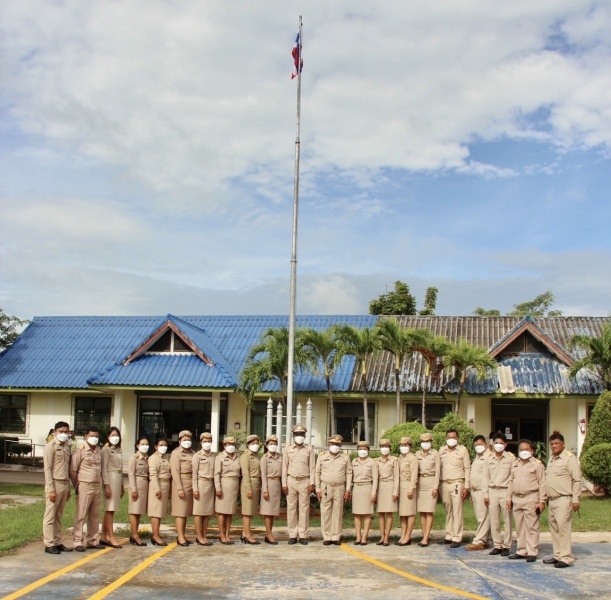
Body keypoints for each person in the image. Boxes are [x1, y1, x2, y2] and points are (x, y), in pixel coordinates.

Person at [543, 432, 582, 568]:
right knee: (554, 529)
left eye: (556, 443)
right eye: (552, 444)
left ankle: (566, 558)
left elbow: (577, 480)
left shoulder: (569, 458)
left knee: (563, 529)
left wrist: (575, 499)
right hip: (552, 500)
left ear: (563, 444)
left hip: (564, 499)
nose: (554, 446)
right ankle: (558, 555)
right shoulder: (552, 459)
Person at [507, 439, 546, 562]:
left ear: (532, 451)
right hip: (517, 498)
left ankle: (532, 552)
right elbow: (510, 481)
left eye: (526, 449)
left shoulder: (537, 464)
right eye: (521, 449)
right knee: (520, 527)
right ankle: (521, 550)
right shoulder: (515, 463)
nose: (524, 451)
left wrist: (542, 501)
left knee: (532, 527)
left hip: (531, 498)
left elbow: (542, 483)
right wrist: (509, 497)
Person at [69, 426, 103, 552]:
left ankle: (92, 540)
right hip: (85, 484)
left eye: (96, 436)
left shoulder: (98, 450)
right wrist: (77, 484)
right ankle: (77, 541)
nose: (94, 438)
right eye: (92, 436)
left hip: (96, 485)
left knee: (94, 514)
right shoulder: (80, 450)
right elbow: (73, 470)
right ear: (86, 436)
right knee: (81, 514)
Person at [282, 424, 316, 545]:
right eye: (297, 434)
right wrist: (284, 483)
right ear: (293, 435)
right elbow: (284, 466)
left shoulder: (309, 449)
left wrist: (312, 483)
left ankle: (303, 535)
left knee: (304, 508)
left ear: (305, 436)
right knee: (291, 508)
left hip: (304, 481)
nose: (299, 436)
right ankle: (292, 535)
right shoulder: (287, 449)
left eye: (301, 434)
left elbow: (312, 467)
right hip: (291, 480)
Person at [316, 434, 352, 546]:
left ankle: (336, 536)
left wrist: (348, 489)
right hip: (326, 487)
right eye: (333, 444)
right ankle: (327, 536)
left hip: (339, 487)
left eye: (337, 444)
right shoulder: (322, 457)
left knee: (338, 512)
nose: (335, 446)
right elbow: (317, 473)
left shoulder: (345, 457)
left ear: (340, 445)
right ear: (328, 444)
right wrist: (317, 489)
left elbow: (349, 473)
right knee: (325, 512)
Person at [42, 421, 73, 554]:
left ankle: (58, 541)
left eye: (66, 432)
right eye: (61, 431)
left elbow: (68, 468)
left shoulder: (67, 446)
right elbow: (47, 468)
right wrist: (51, 489)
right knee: (50, 516)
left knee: (59, 515)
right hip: (54, 483)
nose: (63, 434)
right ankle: (49, 544)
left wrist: (69, 488)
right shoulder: (51, 446)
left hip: (64, 483)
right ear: (55, 432)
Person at [438, 428, 471, 548]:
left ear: (458, 438)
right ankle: (449, 535)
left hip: (457, 483)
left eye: (453, 437)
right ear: (446, 438)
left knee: (457, 510)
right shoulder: (441, 450)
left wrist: (467, 486)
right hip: (444, 483)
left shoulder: (463, 451)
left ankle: (457, 537)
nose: (451, 439)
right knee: (449, 510)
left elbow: (467, 468)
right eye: (449, 437)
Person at [485, 431, 513, 556]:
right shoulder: (488, 459)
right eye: (496, 443)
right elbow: (485, 478)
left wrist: (509, 496)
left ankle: (506, 546)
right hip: (492, 491)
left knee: (507, 520)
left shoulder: (511, 458)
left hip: (505, 490)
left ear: (505, 444)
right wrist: (485, 494)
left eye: (501, 443)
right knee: (494, 520)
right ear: (492, 443)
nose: (498, 445)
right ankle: (497, 545)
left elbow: (512, 478)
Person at [214, 435, 241, 544]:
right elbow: (216, 473)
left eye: (233, 444)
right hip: (224, 484)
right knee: (222, 512)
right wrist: (218, 487)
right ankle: (221, 534)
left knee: (230, 512)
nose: (231, 446)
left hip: (234, 485)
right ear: (224, 445)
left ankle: (227, 534)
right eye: (229, 444)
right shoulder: (220, 457)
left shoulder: (238, 457)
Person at [100, 427, 124, 549]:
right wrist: (107, 485)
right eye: (113, 435)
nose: (115, 437)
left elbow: (121, 468)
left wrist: (122, 485)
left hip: (118, 479)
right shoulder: (106, 449)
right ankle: (111, 536)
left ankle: (103, 536)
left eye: (117, 435)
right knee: (109, 508)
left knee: (111, 509)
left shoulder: (119, 449)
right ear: (108, 437)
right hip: (110, 478)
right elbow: (104, 468)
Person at [465, 435, 491, 551]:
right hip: (475, 491)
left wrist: (486, 493)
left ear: (485, 444)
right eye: (475, 445)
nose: (478, 447)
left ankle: (479, 541)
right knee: (481, 516)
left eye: (480, 444)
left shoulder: (489, 457)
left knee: (483, 517)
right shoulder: (477, 457)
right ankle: (487, 539)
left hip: (483, 490)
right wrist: (471, 491)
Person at [350, 440, 378, 545]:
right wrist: (350, 490)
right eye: (360, 449)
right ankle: (358, 536)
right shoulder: (354, 461)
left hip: (367, 488)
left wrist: (373, 492)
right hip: (357, 488)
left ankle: (364, 537)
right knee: (357, 514)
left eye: (364, 449)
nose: (362, 451)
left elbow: (375, 478)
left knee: (367, 514)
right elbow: (351, 476)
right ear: (357, 450)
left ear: (368, 450)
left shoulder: (372, 462)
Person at [170, 430, 195, 546]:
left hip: (191, 482)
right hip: (180, 482)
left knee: (185, 512)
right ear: (179, 441)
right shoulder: (176, 453)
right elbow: (175, 472)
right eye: (184, 440)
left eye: (189, 439)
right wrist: (179, 488)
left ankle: (182, 535)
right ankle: (180, 537)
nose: (187, 441)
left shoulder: (193, 453)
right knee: (180, 511)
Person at [416, 432, 440, 547]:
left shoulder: (435, 454)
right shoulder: (417, 454)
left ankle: (426, 537)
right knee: (422, 511)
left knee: (429, 511)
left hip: (431, 481)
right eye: (423, 442)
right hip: (420, 483)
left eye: (427, 441)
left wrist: (435, 487)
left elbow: (438, 472)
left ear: (431, 442)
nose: (425, 443)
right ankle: (424, 534)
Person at [192, 432, 215, 546]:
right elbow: (194, 474)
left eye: (209, 441)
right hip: (201, 483)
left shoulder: (213, 456)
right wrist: (195, 489)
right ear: (201, 442)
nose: (207, 443)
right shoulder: (197, 456)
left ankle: (204, 535)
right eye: (205, 441)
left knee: (207, 512)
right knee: (198, 512)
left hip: (210, 485)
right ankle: (199, 536)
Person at [147, 436, 171, 546]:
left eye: (165, 445)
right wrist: (157, 489)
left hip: (165, 485)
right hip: (157, 486)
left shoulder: (166, 457)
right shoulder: (153, 458)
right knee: (155, 512)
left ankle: (156, 535)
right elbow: (153, 475)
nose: (163, 447)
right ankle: (155, 536)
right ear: (156, 447)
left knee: (160, 512)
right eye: (161, 445)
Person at [376, 438, 399, 546]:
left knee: (389, 513)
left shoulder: (394, 460)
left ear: (390, 448)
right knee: (381, 513)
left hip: (390, 485)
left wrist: (395, 491)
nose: (384, 448)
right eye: (382, 446)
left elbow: (397, 477)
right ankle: (382, 536)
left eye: (386, 446)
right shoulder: (376, 461)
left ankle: (387, 537)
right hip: (380, 486)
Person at [260, 435, 282, 545]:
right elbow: (263, 475)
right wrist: (265, 490)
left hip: (277, 484)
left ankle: (269, 533)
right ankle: (268, 534)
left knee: (273, 512)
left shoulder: (280, 457)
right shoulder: (264, 458)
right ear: (267, 445)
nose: (273, 446)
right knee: (267, 512)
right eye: (270, 444)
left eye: (274, 444)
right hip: (268, 484)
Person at [240, 434, 262, 544]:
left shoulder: (257, 456)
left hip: (256, 483)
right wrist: (248, 488)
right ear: (248, 445)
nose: (255, 445)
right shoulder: (245, 456)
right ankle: (248, 535)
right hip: (249, 483)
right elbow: (245, 473)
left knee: (251, 510)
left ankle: (244, 534)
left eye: (257, 443)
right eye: (253, 443)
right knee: (247, 511)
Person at [397, 436, 418, 546]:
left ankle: (408, 536)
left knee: (410, 513)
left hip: (409, 485)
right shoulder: (400, 458)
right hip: (400, 485)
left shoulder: (412, 458)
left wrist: (411, 488)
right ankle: (403, 534)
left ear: (410, 446)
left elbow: (414, 474)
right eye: (401, 445)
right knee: (403, 513)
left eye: (405, 445)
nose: (403, 447)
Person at [127, 436, 149, 546]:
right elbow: (131, 474)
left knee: (139, 511)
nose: (145, 446)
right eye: (142, 444)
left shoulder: (147, 458)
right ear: (137, 446)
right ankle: (134, 535)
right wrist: (133, 490)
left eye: (146, 444)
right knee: (134, 510)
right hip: (136, 485)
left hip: (144, 485)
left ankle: (135, 533)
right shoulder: (134, 458)